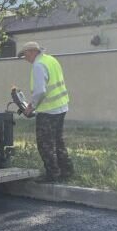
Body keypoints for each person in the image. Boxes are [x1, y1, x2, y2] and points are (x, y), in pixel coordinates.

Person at [19, 41, 73, 182]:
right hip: (61, 106)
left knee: (45, 144)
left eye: (25, 55)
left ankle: (52, 174)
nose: (25, 59)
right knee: (58, 141)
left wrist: (31, 107)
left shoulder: (38, 65)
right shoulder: (51, 59)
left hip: (48, 111)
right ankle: (66, 171)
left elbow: (40, 91)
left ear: (32, 51)